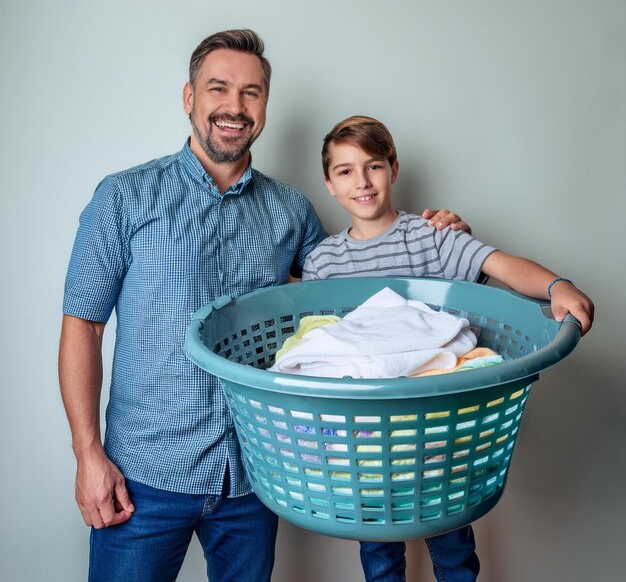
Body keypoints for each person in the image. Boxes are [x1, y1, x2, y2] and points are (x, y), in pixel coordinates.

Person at [58, 30, 470, 582]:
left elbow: (358, 297)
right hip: (144, 475)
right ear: (189, 97)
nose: (234, 106)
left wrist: (440, 238)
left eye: (251, 92)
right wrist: (88, 456)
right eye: (218, 88)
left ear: (265, 106)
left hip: (256, 474)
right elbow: (81, 326)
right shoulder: (124, 197)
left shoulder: (291, 210)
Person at [301, 115, 594, 582]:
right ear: (329, 184)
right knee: (379, 554)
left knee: (453, 546)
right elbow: (322, 345)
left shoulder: (430, 236)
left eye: (373, 166)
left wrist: (556, 285)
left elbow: (498, 265)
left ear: (393, 169)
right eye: (345, 170)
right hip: (366, 444)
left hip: (439, 430)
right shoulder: (323, 261)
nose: (361, 181)